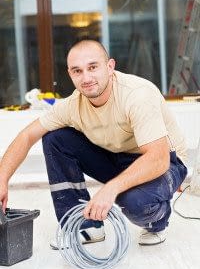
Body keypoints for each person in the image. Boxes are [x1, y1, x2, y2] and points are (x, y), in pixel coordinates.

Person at [0, 39, 187, 247]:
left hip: (165, 162)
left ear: (110, 67)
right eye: (77, 71)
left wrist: (110, 189)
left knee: (135, 202)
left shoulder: (136, 95)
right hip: (117, 157)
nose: (86, 77)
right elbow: (26, 136)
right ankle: (84, 227)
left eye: (92, 67)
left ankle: (157, 222)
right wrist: (1, 179)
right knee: (55, 138)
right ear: (70, 74)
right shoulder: (73, 105)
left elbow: (158, 158)